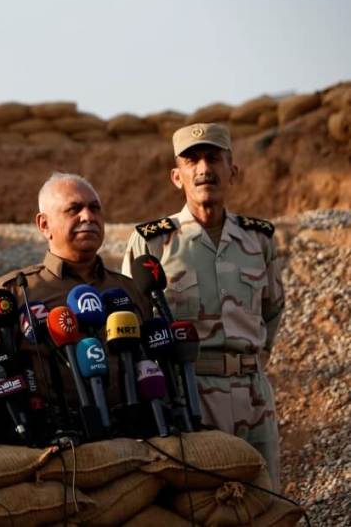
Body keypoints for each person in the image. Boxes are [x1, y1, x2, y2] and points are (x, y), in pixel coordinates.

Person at [122, 123, 284, 487]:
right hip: (188, 394)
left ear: (233, 171)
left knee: (269, 502)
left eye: (213, 158)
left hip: (253, 395)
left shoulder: (260, 240)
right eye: (192, 160)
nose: (204, 169)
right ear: (176, 177)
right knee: (203, 504)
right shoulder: (152, 242)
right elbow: (135, 321)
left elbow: (273, 309)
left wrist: (251, 362)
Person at [0, 173, 152, 432]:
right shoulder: (16, 291)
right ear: (44, 225)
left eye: (95, 208)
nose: (88, 217)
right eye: (74, 209)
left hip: (133, 433)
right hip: (58, 441)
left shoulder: (129, 289)